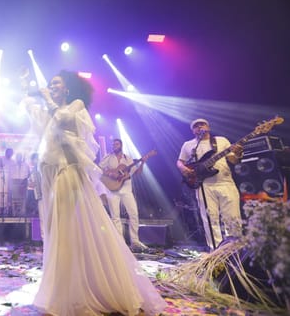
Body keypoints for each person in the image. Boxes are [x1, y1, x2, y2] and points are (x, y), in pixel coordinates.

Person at [22, 70, 166, 315]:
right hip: (49, 174)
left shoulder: (75, 105)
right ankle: (61, 287)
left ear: (67, 89)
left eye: (56, 83)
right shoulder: (50, 110)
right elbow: (39, 122)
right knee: (55, 230)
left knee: (67, 229)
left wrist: (47, 98)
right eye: (50, 84)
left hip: (67, 173)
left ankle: (75, 292)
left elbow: (63, 120)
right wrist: (27, 93)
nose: (52, 86)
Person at [177, 118, 243, 250]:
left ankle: (234, 249)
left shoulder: (221, 140)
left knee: (232, 217)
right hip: (204, 185)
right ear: (193, 131)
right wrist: (184, 169)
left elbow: (234, 160)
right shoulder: (189, 145)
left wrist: (238, 153)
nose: (199, 127)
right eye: (196, 126)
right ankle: (215, 250)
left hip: (225, 182)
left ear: (208, 127)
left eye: (202, 124)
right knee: (210, 219)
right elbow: (180, 161)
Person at [98, 138, 149, 253]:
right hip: (112, 189)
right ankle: (120, 243)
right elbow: (99, 169)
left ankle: (135, 241)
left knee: (134, 214)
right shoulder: (108, 157)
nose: (114, 146)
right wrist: (110, 173)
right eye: (113, 144)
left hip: (126, 189)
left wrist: (143, 163)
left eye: (116, 144)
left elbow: (137, 172)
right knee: (115, 217)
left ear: (121, 145)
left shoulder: (128, 158)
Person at [0, 147, 15, 216]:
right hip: (1, 182)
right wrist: (2, 170)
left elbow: (14, 172)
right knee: (0, 197)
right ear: (6, 153)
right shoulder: (0, 159)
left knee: (8, 197)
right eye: (9, 153)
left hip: (10, 182)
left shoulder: (13, 161)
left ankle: (7, 212)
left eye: (11, 153)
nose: (10, 154)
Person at [28, 152, 44, 239]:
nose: (32, 162)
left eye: (33, 160)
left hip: (47, 196)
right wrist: (31, 183)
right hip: (40, 196)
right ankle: (43, 239)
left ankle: (47, 239)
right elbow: (30, 183)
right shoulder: (33, 170)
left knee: (47, 218)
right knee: (42, 218)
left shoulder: (42, 168)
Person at [9, 152, 30, 216]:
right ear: (16, 157)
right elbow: (10, 175)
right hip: (14, 182)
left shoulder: (26, 165)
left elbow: (28, 174)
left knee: (23, 199)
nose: (19, 158)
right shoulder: (12, 165)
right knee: (14, 199)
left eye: (20, 156)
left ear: (21, 157)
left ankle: (22, 213)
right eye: (17, 156)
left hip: (23, 182)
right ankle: (14, 213)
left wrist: (24, 180)